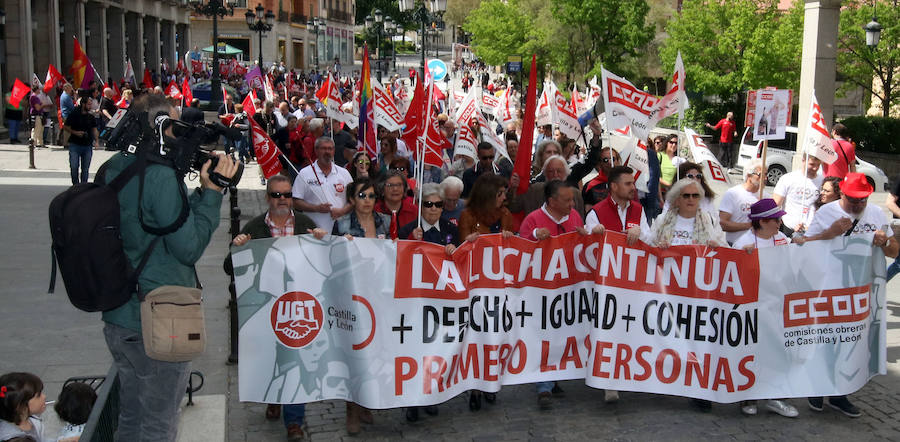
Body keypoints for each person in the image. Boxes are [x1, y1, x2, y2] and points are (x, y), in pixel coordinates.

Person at [98, 94, 240, 442]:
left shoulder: (115, 167)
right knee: (159, 424)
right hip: (158, 318)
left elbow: (161, 222)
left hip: (120, 313)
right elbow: (188, 247)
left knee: (131, 417)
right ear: (161, 127)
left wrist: (195, 194)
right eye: (177, 124)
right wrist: (211, 194)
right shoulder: (158, 177)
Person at [230, 175, 327, 442]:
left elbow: (324, 262)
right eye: (276, 195)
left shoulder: (306, 225)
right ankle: (274, 397)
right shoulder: (255, 227)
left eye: (286, 194)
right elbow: (231, 268)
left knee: (294, 361)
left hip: (297, 308)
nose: (282, 199)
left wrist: (321, 240)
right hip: (265, 307)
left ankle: (294, 421)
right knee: (270, 359)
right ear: (267, 197)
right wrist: (238, 247)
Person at [801, 173, 898, 417]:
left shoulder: (876, 214)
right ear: (842, 193)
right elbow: (803, 244)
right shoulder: (827, 213)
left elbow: (895, 252)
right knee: (825, 339)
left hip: (860, 291)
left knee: (850, 342)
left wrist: (885, 242)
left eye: (862, 200)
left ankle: (839, 394)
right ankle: (816, 388)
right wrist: (830, 233)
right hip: (828, 287)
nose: (858, 205)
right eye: (853, 200)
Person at [730, 199, 798, 417]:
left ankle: (776, 397)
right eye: (776, 219)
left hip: (776, 306)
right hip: (752, 307)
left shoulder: (782, 239)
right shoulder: (743, 243)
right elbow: (732, 276)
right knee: (751, 353)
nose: (780, 223)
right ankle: (746, 396)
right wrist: (742, 258)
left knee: (778, 352)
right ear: (763, 222)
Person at [292, 137, 354, 233]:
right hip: (313, 231)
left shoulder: (344, 173)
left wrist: (342, 211)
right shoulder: (304, 173)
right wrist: (316, 208)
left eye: (330, 149)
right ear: (316, 150)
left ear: (334, 151)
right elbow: (295, 202)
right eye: (323, 148)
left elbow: (354, 200)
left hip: (341, 231)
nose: (327, 152)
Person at [646, 177, 726, 249]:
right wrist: (658, 247)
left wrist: (717, 247)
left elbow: (725, 249)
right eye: (686, 196)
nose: (691, 199)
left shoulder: (711, 221)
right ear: (677, 199)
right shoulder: (662, 220)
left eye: (695, 195)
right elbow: (649, 246)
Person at [585, 166, 650, 245]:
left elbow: (649, 242)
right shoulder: (596, 212)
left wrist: (639, 233)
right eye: (628, 184)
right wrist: (594, 234)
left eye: (633, 183)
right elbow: (588, 248)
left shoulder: (638, 209)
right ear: (614, 186)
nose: (633, 187)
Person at [773, 155, 823, 236]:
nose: (815, 168)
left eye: (818, 165)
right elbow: (775, 205)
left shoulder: (822, 181)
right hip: (788, 229)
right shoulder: (788, 178)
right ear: (803, 160)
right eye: (812, 164)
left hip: (812, 232)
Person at [718, 159, 763, 244]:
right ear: (749, 175)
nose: (764, 178)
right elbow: (722, 223)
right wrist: (750, 225)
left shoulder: (765, 197)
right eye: (760, 174)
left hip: (757, 247)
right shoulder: (733, 194)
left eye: (765, 174)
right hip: (735, 245)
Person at [63, 95, 99, 184]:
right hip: (75, 144)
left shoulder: (91, 117)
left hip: (87, 145)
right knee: (74, 166)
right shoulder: (74, 114)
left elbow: (94, 129)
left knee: (85, 169)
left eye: (91, 105)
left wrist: (97, 141)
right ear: (83, 104)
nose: (90, 107)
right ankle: (75, 185)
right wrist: (75, 132)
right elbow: (66, 126)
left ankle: (83, 186)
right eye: (89, 104)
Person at [0, 372, 46, 442]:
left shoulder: (32, 421)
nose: (44, 396)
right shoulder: (12, 438)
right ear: (20, 406)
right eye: (38, 395)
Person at [375, 171, 418, 239]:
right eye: (390, 185)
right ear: (382, 190)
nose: (395, 189)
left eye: (399, 185)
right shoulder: (375, 211)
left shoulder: (414, 211)